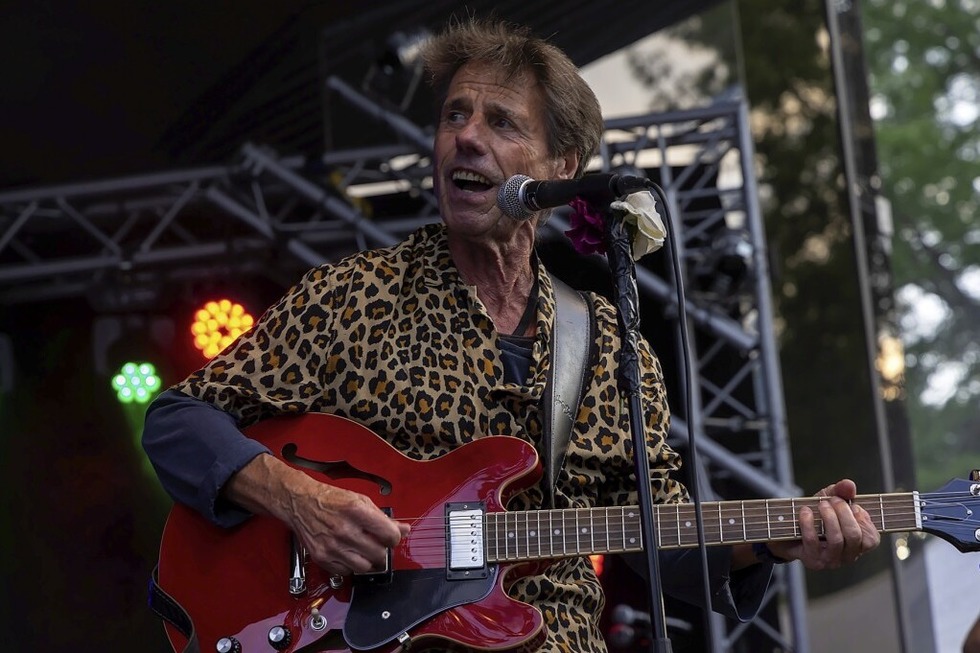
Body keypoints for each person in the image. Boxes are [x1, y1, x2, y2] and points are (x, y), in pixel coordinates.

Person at [142, 17, 880, 651]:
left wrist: (778, 537)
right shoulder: (351, 296)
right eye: (453, 116)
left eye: (500, 123)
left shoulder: (611, 346)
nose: (465, 137)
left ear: (561, 167)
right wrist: (301, 499)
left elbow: (663, 542)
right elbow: (177, 422)